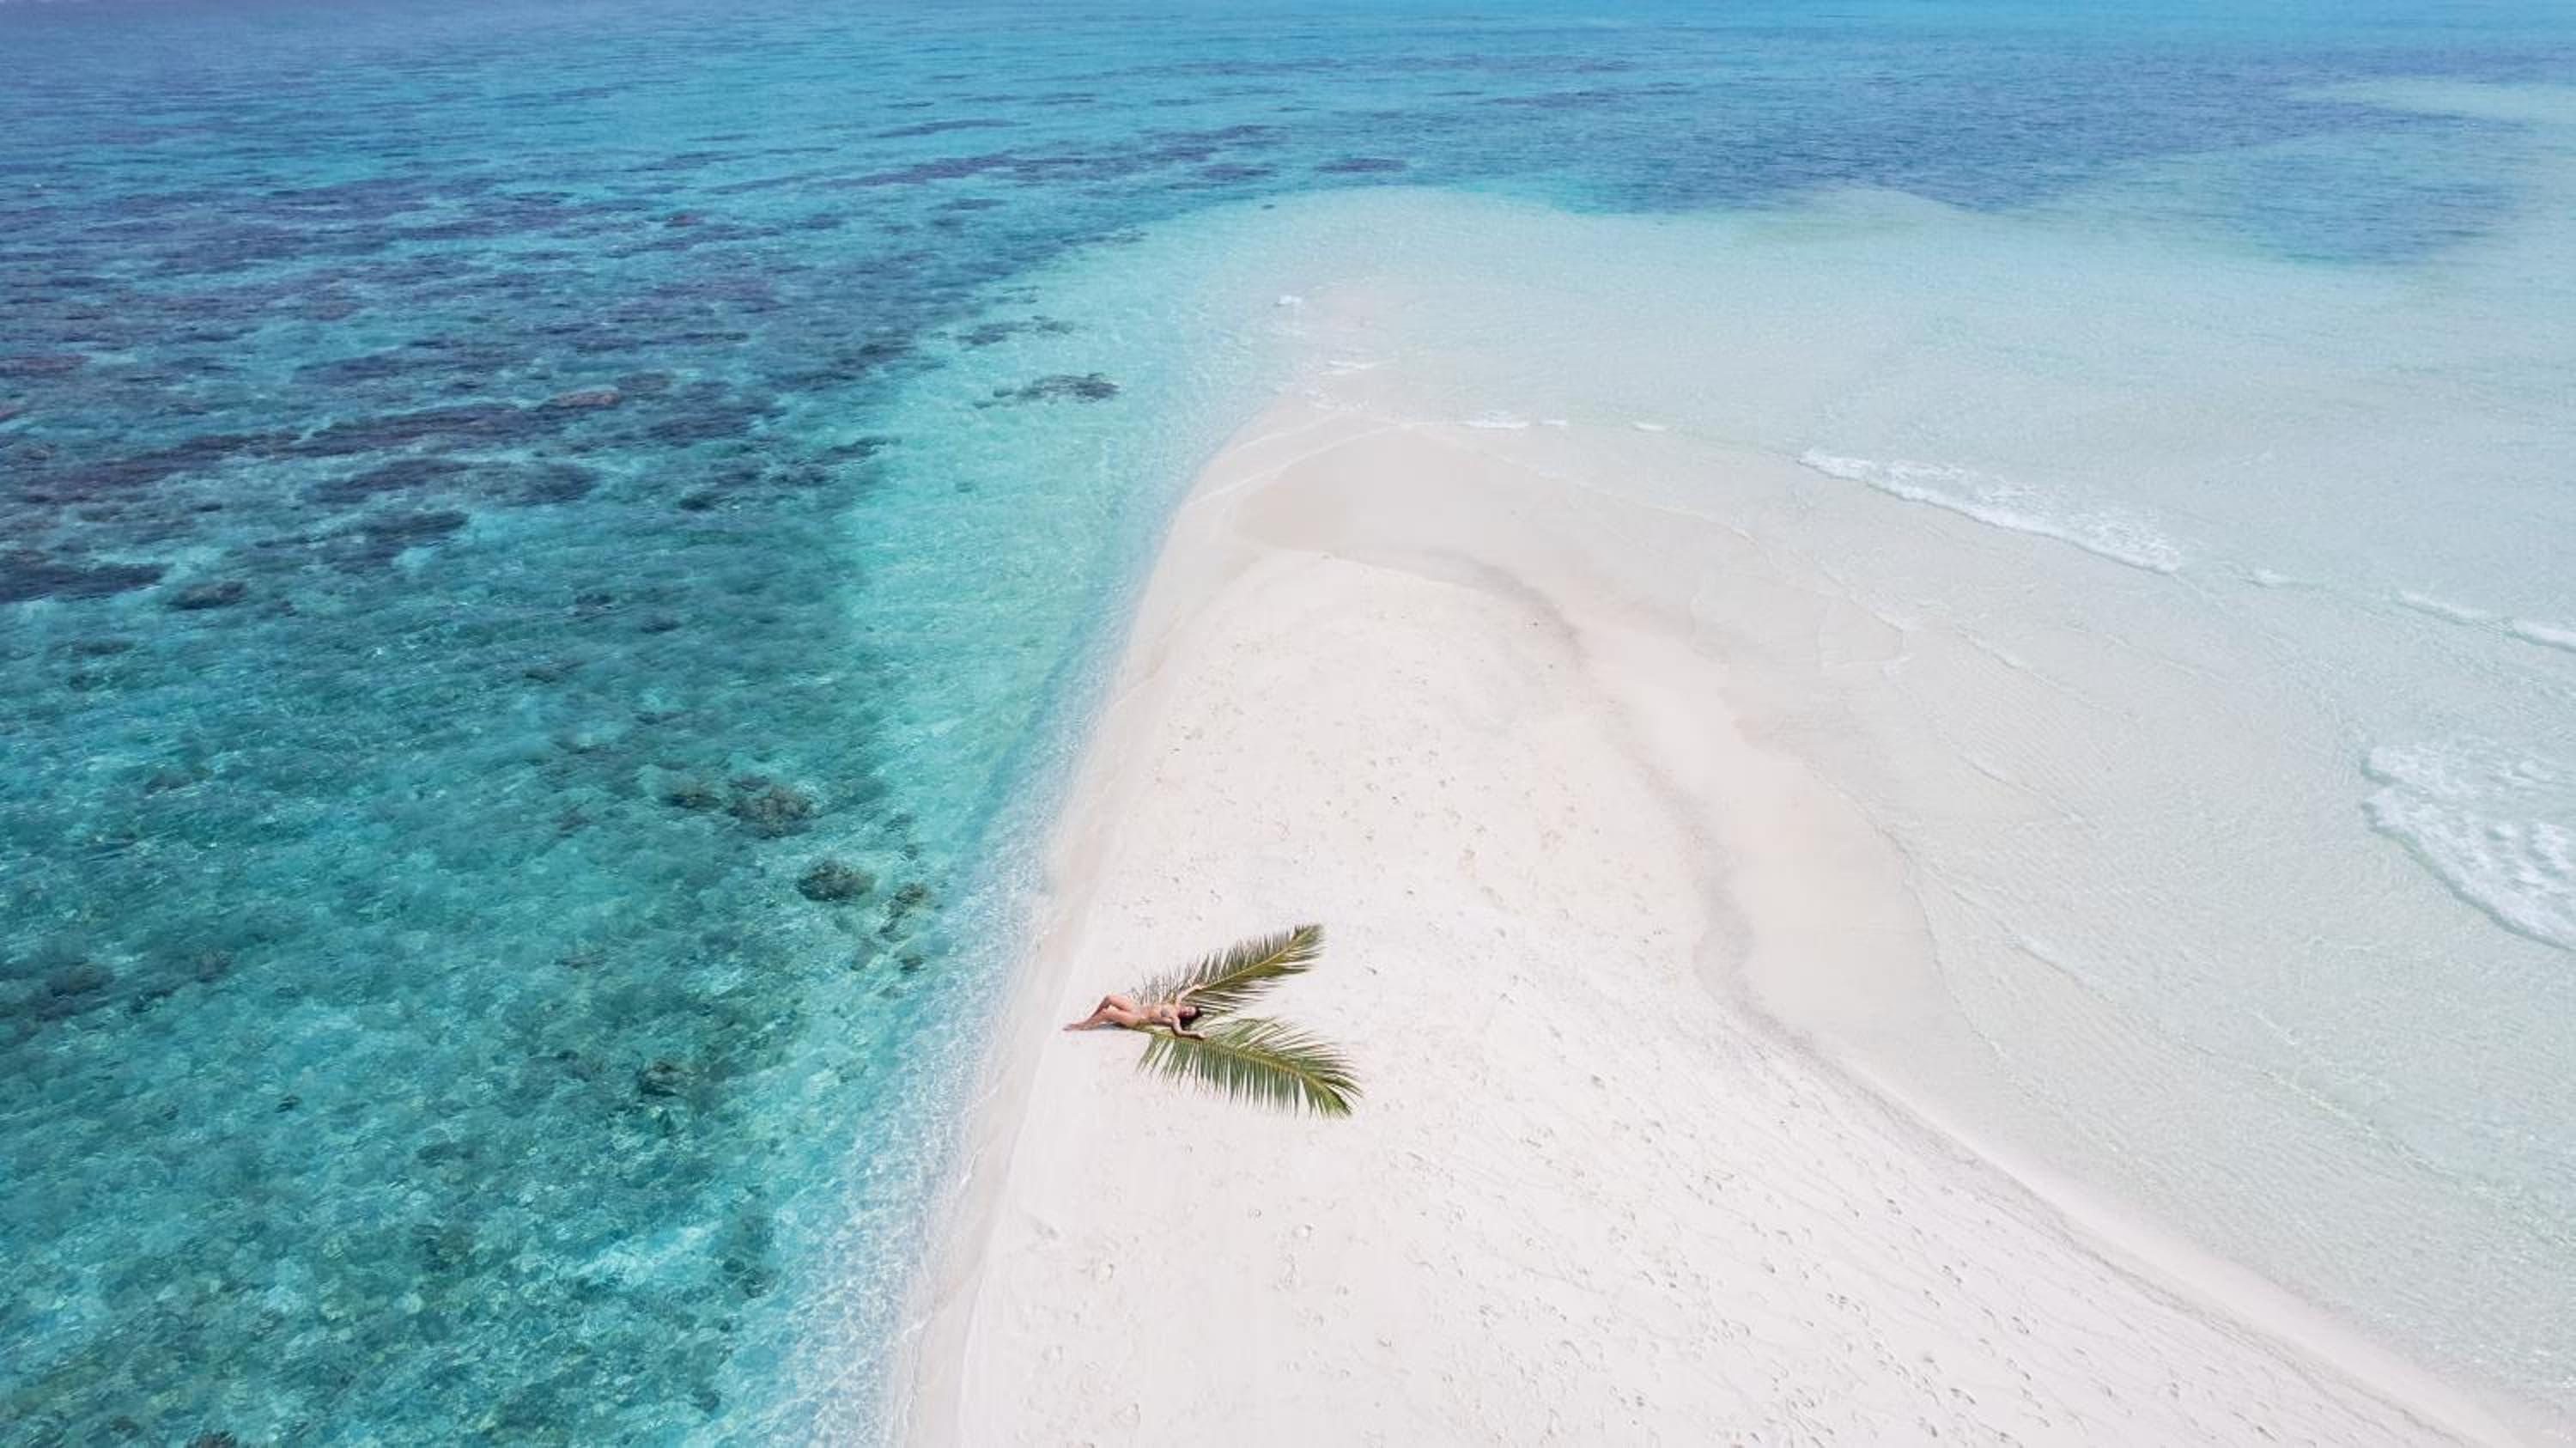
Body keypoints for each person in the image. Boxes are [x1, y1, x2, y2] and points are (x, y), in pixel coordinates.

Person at [1063, 983, 1206, 1037]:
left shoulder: (1175, 1019)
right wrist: (1196, 987)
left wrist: (1195, 1034)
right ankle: (1092, 1019)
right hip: (1136, 1008)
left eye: (1189, 1013)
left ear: (1187, 1017)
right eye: (1189, 1008)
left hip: (1137, 1019)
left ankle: (1082, 1026)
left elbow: (1180, 1032)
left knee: (1107, 1013)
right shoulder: (1176, 1005)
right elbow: (1182, 994)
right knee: (1109, 998)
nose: (1187, 1011)